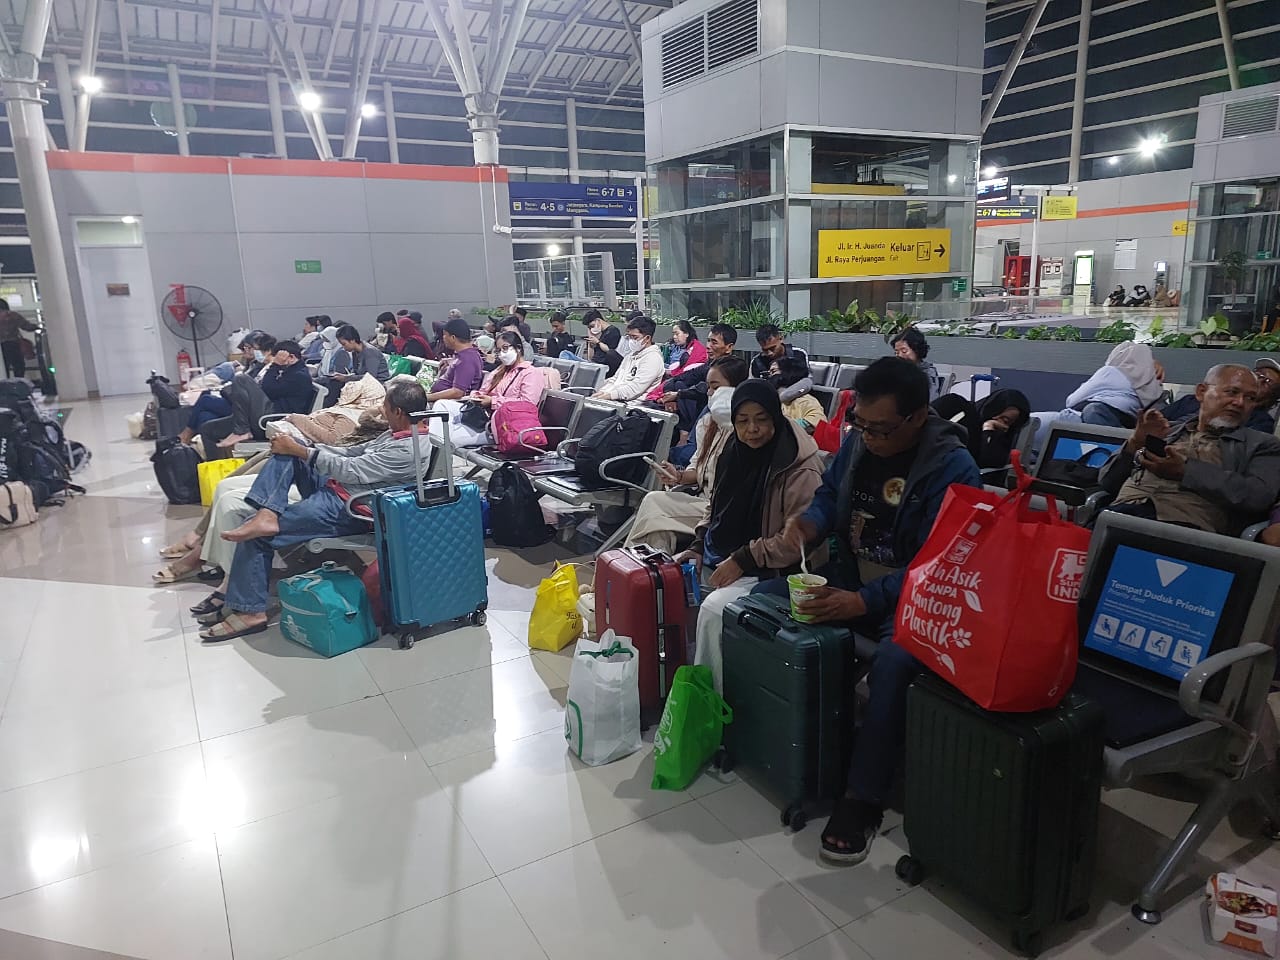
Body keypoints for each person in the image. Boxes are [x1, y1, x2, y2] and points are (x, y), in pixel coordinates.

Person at [752, 357, 982, 865]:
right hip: (851, 576)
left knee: (895, 662)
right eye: (861, 423)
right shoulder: (858, 442)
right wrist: (808, 525)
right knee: (764, 601)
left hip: (916, 601)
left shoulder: (953, 469)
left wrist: (862, 602)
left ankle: (863, 797)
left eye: (881, 429)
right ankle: (783, 738)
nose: (869, 437)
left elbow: (939, 564)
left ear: (917, 417)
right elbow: (829, 496)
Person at [199, 380, 429, 642]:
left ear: (398, 411)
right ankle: (268, 514)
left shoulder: (408, 448)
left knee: (256, 534)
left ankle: (251, 612)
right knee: (287, 453)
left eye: (385, 406)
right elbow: (352, 452)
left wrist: (302, 451)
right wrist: (303, 448)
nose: (381, 410)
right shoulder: (397, 433)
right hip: (341, 488)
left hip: (350, 508)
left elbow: (352, 470)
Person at [676, 380, 824, 692]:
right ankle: (674, 675)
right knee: (669, 580)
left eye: (761, 419)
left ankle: (708, 698)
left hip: (772, 567)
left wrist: (743, 559)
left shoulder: (798, 465)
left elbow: (796, 542)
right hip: (722, 551)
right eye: (743, 421)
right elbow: (717, 504)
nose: (752, 429)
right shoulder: (734, 448)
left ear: (776, 416)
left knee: (715, 610)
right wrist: (698, 543)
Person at [1099, 364, 1280, 536]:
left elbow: (1258, 496)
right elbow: (1108, 481)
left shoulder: (1261, 445)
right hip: (1120, 512)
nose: (1240, 403)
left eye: (1250, 398)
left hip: (1182, 527)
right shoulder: (1167, 430)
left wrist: (1186, 471)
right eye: (1232, 392)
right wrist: (1134, 444)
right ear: (1201, 392)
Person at [625, 356, 750, 554]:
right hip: (702, 501)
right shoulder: (708, 424)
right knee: (659, 529)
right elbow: (697, 467)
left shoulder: (747, 432)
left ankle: (630, 565)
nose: (709, 393)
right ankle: (645, 568)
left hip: (723, 510)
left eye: (716, 387)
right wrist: (678, 476)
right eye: (708, 387)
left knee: (655, 503)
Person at [1031, 341, 1164, 448]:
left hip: (1073, 421)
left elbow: (1071, 401)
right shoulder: (1152, 383)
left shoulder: (1110, 371)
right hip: (1121, 423)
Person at [200, 340, 316, 453]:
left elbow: (267, 389)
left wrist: (275, 365)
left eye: (277, 357)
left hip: (273, 420)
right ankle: (217, 464)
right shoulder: (289, 371)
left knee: (241, 379)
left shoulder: (299, 376)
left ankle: (241, 431)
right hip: (264, 415)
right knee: (207, 429)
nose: (274, 360)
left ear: (291, 357)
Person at [659, 323, 738, 436]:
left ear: (729, 347)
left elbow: (704, 388)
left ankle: (685, 433)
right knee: (679, 384)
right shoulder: (709, 364)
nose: (708, 346)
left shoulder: (732, 367)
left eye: (714, 342)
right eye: (708, 341)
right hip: (698, 412)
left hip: (715, 413)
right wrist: (670, 397)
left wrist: (678, 394)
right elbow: (685, 376)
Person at [1163, 357, 1280, 433]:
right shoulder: (1190, 401)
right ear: (1201, 392)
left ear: (1273, 397)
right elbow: (1158, 421)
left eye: (1268, 382)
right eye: (1258, 374)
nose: (1258, 380)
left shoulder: (1261, 423)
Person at [592, 315, 665, 403]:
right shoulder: (630, 356)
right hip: (615, 398)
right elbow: (615, 379)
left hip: (633, 404)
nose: (631, 340)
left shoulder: (653, 359)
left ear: (647, 338)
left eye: (635, 337)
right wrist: (602, 391)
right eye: (629, 337)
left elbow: (636, 388)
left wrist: (609, 395)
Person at [644, 321, 708, 403]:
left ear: (686, 334)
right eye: (673, 334)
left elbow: (685, 371)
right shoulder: (676, 346)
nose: (674, 337)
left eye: (677, 334)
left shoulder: (696, 349)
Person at [427, 316, 485, 403]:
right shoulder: (465, 355)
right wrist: (451, 361)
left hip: (447, 403)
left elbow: (458, 392)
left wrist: (428, 397)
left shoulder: (467, 360)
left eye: (445, 335)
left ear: (453, 338)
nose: (443, 338)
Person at [772, 355, 827, 431]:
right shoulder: (773, 399)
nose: (770, 376)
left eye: (773, 371)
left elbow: (818, 421)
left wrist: (786, 427)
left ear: (788, 372)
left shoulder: (805, 401)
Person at [890, 327, 942, 402]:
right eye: (897, 352)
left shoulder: (927, 374)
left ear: (917, 349)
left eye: (904, 351)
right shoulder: (896, 371)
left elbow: (930, 401)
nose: (900, 355)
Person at [567, 310, 622, 374]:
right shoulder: (601, 333)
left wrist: (598, 342)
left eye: (592, 326)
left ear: (598, 320)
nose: (591, 329)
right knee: (565, 354)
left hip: (601, 365)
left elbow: (610, 351)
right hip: (593, 363)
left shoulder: (613, 331)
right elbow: (590, 358)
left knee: (566, 355)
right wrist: (591, 343)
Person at [315, 325, 353, 406]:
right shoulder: (330, 352)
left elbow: (336, 376)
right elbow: (322, 367)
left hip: (334, 386)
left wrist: (317, 380)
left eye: (327, 340)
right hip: (325, 381)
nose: (325, 343)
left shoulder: (342, 353)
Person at [0, 298, 36, 379]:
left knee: (3, 368)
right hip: (14, 344)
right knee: (18, 366)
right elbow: (26, 326)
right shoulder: (13, 315)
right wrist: (36, 327)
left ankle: (4, 383)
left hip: (1, 347)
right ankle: (18, 382)